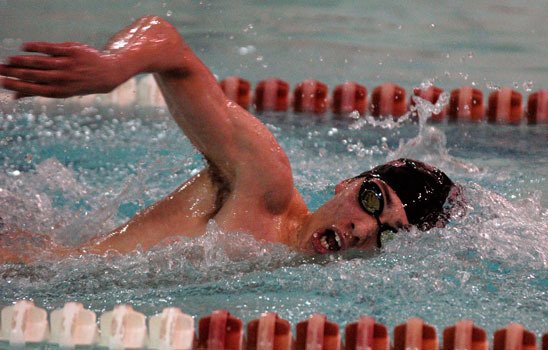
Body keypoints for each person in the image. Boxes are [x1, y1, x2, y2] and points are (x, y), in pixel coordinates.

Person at [0, 16, 460, 262]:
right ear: (346, 183)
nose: (364, 229)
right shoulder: (265, 185)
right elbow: (167, 42)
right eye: (373, 202)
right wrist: (113, 66)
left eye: (389, 236)